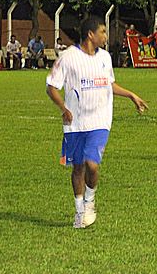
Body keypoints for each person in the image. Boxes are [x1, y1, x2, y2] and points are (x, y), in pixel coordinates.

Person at [46, 17, 148, 229]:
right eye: (102, 31)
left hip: (100, 120)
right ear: (91, 35)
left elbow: (109, 84)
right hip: (75, 123)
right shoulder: (68, 57)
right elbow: (51, 87)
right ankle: (79, 211)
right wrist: (64, 108)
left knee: (92, 163)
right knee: (78, 167)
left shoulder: (105, 57)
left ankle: (90, 201)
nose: (105, 35)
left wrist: (131, 95)